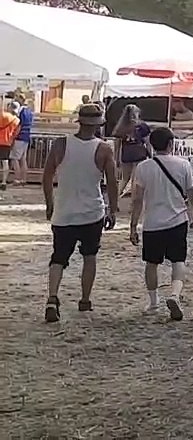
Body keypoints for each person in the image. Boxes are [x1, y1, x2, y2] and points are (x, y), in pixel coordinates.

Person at [41, 103, 120, 322]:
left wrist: (50, 203)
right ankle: (85, 300)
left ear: (79, 121)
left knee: (58, 258)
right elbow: (112, 182)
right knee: (89, 256)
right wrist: (112, 210)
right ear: (98, 124)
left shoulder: (60, 144)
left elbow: (47, 176)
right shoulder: (104, 149)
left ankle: (52, 298)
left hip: (64, 211)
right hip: (91, 211)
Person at [128, 127, 193, 320]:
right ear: (171, 144)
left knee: (151, 263)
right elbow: (192, 195)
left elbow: (137, 199)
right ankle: (175, 294)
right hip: (177, 221)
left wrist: (133, 225)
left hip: (152, 223)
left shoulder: (143, 167)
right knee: (178, 260)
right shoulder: (183, 165)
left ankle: (153, 302)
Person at [112, 103, 152, 200]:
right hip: (139, 154)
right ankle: (133, 204)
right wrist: (151, 155)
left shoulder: (121, 127)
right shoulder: (142, 126)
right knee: (135, 179)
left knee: (124, 179)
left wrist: (116, 159)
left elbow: (117, 146)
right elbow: (147, 143)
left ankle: (114, 200)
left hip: (126, 154)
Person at [10, 95, 33, 186]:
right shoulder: (29, 111)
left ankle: (17, 179)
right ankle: (24, 179)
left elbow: (19, 125)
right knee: (23, 159)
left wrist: (14, 136)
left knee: (15, 158)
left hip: (19, 137)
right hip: (27, 137)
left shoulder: (21, 111)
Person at [0, 101, 19, 191]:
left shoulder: (3, 115)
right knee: (5, 163)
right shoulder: (17, 120)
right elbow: (15, 133)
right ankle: (4, 182)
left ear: (10, 107)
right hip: (7, 142)